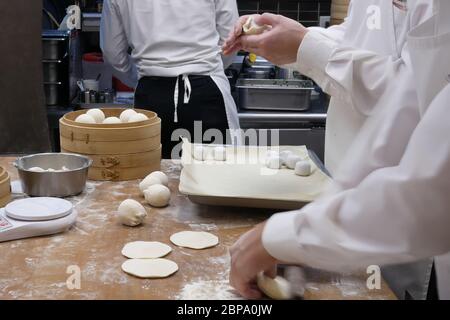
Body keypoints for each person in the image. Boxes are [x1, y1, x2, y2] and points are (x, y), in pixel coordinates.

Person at [228, 0, 450, 300]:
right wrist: (300, 41)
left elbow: (432, 186)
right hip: (359, 216)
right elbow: (402, 93)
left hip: (414, 238)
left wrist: (294, 235)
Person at [223, 0, 433, 176]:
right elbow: (354, 34)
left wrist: (304, 47)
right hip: (346, 169)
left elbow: (415, 91)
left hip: (395, 177)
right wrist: (283, 38)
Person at [101, 0, 241, 159]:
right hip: (207, 93)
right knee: (220, 177)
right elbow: (230, 40)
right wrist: (208, 67)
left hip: (151, 97)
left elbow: (112, 53)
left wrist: (143, 77)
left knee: (151, 176)